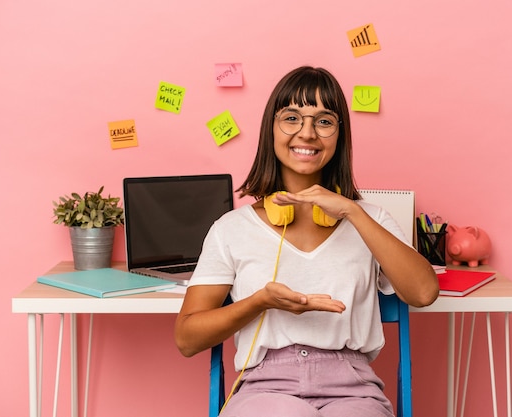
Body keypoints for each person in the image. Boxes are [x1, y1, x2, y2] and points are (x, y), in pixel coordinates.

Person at [175, 66, 439, 417]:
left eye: (324, 121)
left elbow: (423, 293)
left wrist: (353, 212)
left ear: (339, 136)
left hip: (354, 390)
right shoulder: (230, 229)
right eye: (292, 118)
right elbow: (187, 338)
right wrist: (260, 302)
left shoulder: (371, 219)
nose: (308, 133)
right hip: (265, 388)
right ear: (271, 128)